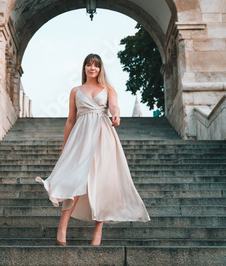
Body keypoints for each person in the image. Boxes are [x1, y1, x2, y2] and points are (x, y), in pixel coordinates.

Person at [36, 53, 150, 246]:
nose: (92, 68)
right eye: (88, 65)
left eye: (95, 65)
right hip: (80, 138)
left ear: (100, 68)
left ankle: (98, 231)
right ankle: (62, 227)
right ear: (84, 68)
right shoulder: (75, 91)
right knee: (76, 180)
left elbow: (114, 106)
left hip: (103, 137)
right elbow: (71, 120)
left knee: (102, 182)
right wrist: (65, 147)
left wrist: (116, 115)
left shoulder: (107, 88)